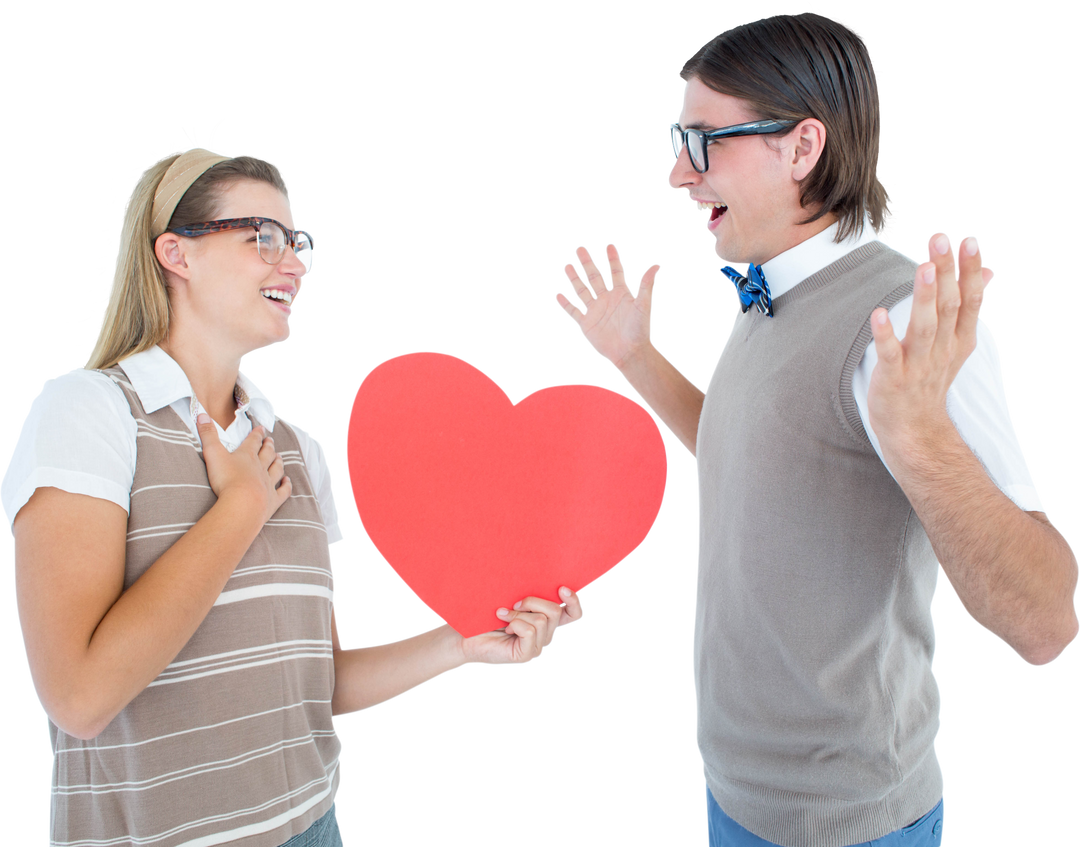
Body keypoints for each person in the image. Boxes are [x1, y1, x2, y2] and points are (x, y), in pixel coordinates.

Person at [552, 9, 1078, 847]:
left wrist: (921, 441)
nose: (675, 175)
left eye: (701, 142)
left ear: (802, 147)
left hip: (844, 829)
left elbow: (1047, 622)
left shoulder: (906, 323)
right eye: (674, 137)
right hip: (733, 792)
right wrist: (636, 357)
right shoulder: (768, 287)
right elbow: (750, 451)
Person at [3, 121, 584, 846]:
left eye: (297, 239)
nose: (294, 263)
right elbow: (80, 699)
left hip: (314, 823)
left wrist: (462, 643)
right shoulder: (87, 410)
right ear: (175, 253)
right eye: (262, 236)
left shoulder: (298, 448)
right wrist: (239, 508)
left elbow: (318, 683)